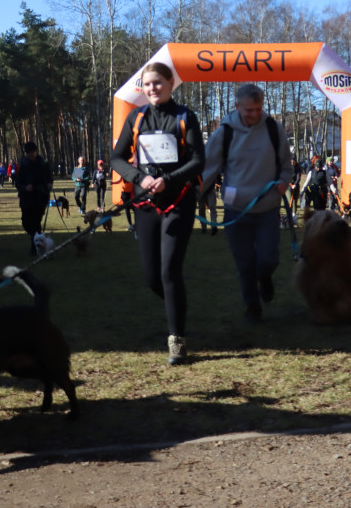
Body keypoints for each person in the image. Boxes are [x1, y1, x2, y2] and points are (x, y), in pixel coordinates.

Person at [110, 62, 205, 365]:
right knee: (152, 277)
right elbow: (116, 157)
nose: (152, 88)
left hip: (178, 201)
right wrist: (140, 178)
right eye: (147, 84)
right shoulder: (136, 118)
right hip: (144, 204)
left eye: (158, 83)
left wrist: (169, 179)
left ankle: (176, 339)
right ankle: (178, 308)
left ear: (170, 84)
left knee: (169, 271)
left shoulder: (185, 117)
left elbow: (198, 160)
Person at [202, 84, 293, 324]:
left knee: (268, 258)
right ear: (237, 107)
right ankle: (252, 306)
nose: (254, 114)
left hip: (267, 208)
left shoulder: (274, 129)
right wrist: (189, 196)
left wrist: (284, 180)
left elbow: (286, 165)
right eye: (248, 110)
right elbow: (207, 170)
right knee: (244, 263)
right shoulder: (224, 133)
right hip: (236, 210)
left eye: (258, 109)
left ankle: (265, 277)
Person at [16, 141, 53, 255]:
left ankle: (36, 248)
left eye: (33, 152)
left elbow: (50, 178)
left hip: (40, 197)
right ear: (26, 153)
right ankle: (38, 239)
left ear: (36, 151)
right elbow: (18, 183)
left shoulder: (43, 163)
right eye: (29, 153)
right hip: (26, 198)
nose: (31, 154)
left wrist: (49, 184)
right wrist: (25, 188)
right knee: (26, 223)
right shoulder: (23, 165)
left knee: (36, 222)